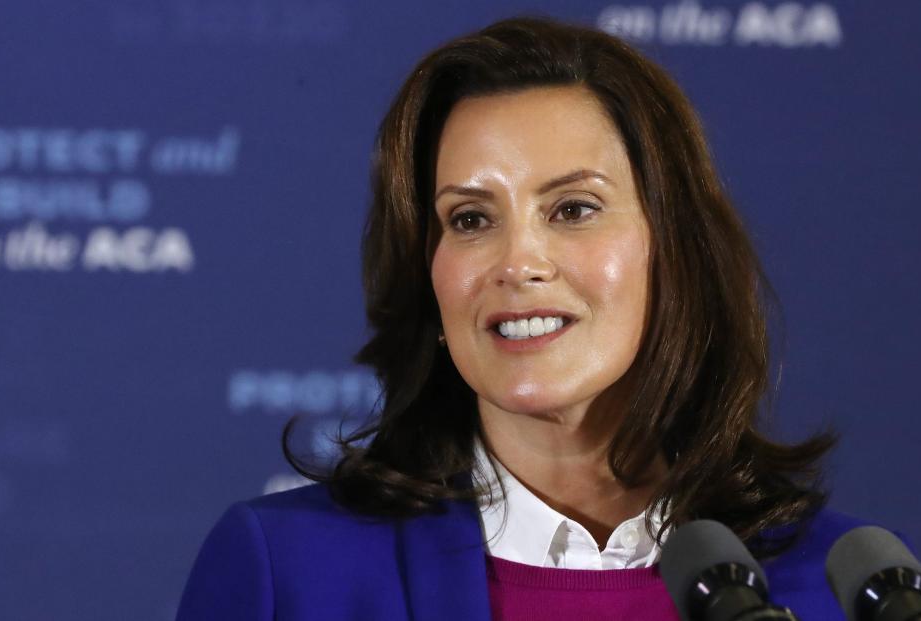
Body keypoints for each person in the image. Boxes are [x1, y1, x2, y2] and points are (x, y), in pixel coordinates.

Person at [178, 16, 871, 620]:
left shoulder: (838, 585)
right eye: (471, 219)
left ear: (675, 249)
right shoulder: (289, 573)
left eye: (573, 209)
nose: (518, 261)